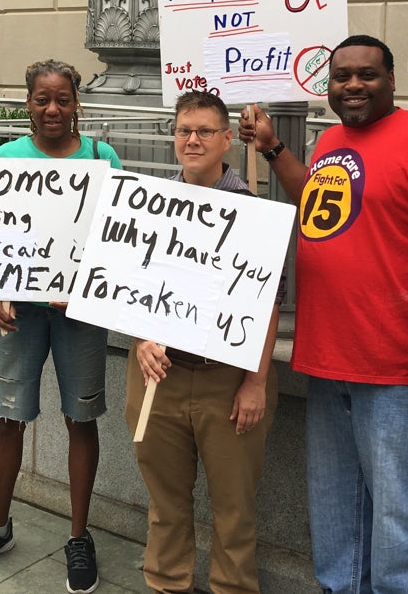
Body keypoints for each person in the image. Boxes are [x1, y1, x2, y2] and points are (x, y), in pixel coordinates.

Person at [238, 34, 408, 593]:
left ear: (392, 80)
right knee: (335, 518)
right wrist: (275, 150)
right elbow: (321, 201)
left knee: (399, 525)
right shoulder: (331, 141)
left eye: (367, 75)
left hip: (400, 371)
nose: (353, 85)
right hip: (329, 363)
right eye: (341, 76)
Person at [0, 59, 122, 594]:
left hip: (79, 313)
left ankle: (78, 536)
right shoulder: (6, 157)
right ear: (27, 103)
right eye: (42, 99)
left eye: (63, 99)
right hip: (20, 311)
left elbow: (116, 236)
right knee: (8, 418)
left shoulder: (101, 157)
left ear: (77, 104)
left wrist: (88, 287)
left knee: (80, 418)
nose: (53, 109)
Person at [124, 90, 282, 594]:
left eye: (204, 131)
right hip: (158, 377)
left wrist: (255, 382)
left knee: (234, 510)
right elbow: (130, 285)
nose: (192, 140)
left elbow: (269, 305)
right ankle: (166, 583)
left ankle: (232, 588)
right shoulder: (150, 205)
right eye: (183, 131)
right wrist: (141, 337)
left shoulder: (254, 212)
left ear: (228, 140)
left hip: (227, 381)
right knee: (165, 502)